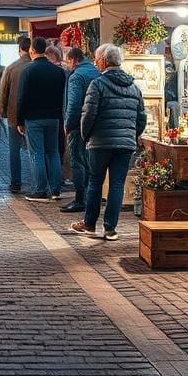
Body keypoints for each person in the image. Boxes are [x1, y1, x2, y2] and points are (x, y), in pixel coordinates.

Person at [70, 44, 145, 241]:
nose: (95, 62)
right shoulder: (134, 87)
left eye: (96, 59)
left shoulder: (98, 84)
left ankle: (89, 225)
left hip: (100, 142)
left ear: (103, 61)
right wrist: (132, 134)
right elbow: (141, 117)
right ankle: (110, 228)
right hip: (125, 144)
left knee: (95, 181)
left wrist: (87, 136)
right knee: (117, 184)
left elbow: (88, 115)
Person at [16, 37, 66, 202]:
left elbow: (22, 98)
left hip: (33, 118)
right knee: (53, 153)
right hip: (53, 118)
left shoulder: (28, 71)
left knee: (36, 153)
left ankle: (40, 190)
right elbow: (62, 97)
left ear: (32, 51)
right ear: (45, 50)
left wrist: (19, 120)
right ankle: (56, 189)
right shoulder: (58, 72)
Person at [61, 47, 100, 213]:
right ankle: (91, 198)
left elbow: (74, 104)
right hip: (95, 124)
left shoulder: (76, 76)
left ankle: (80, 199)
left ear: (72, 60)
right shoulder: (97, 72)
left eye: (66, 61)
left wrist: (68, 125)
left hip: (78, 125)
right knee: (90, 162)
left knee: (77, 161)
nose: (66, 64)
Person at [0, 36, 32, 193]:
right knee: (37, 151)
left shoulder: (11, 68)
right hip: (34, 116)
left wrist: (2, 112)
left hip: (14, 115)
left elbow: (3, 92)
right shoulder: (35, 66)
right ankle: (39, 182)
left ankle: (16, 182)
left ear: (19, 50)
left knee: (14, 151)